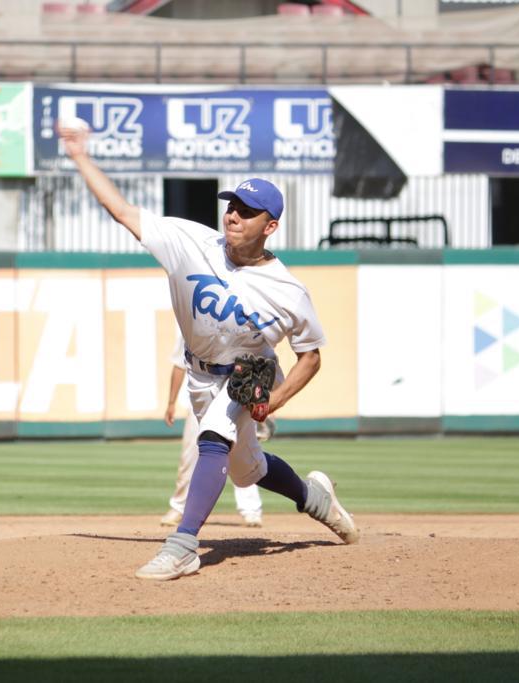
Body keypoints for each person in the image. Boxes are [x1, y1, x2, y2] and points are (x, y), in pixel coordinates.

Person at [58, 120, 359, 581]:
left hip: (246, 376)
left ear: (270, 226)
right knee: (247, 471)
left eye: (248, 210)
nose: (233, 215)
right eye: (232, 205)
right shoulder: (190, 243)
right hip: (200, 375)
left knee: (213, 437)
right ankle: (314, 496)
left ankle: (182, 546)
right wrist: (79, 155)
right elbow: (121, 210)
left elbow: (311, 355)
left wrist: (272, 402)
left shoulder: (288, 291)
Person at [163, 334, 266, 528]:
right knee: (189, 454)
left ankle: (251, 509)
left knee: (241, 452)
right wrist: (171, 402)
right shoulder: (188, 322)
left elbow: (259, 358)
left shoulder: (237, 316)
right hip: (200, 394)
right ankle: (178, 506)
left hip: (234, 393)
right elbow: (179, 363)